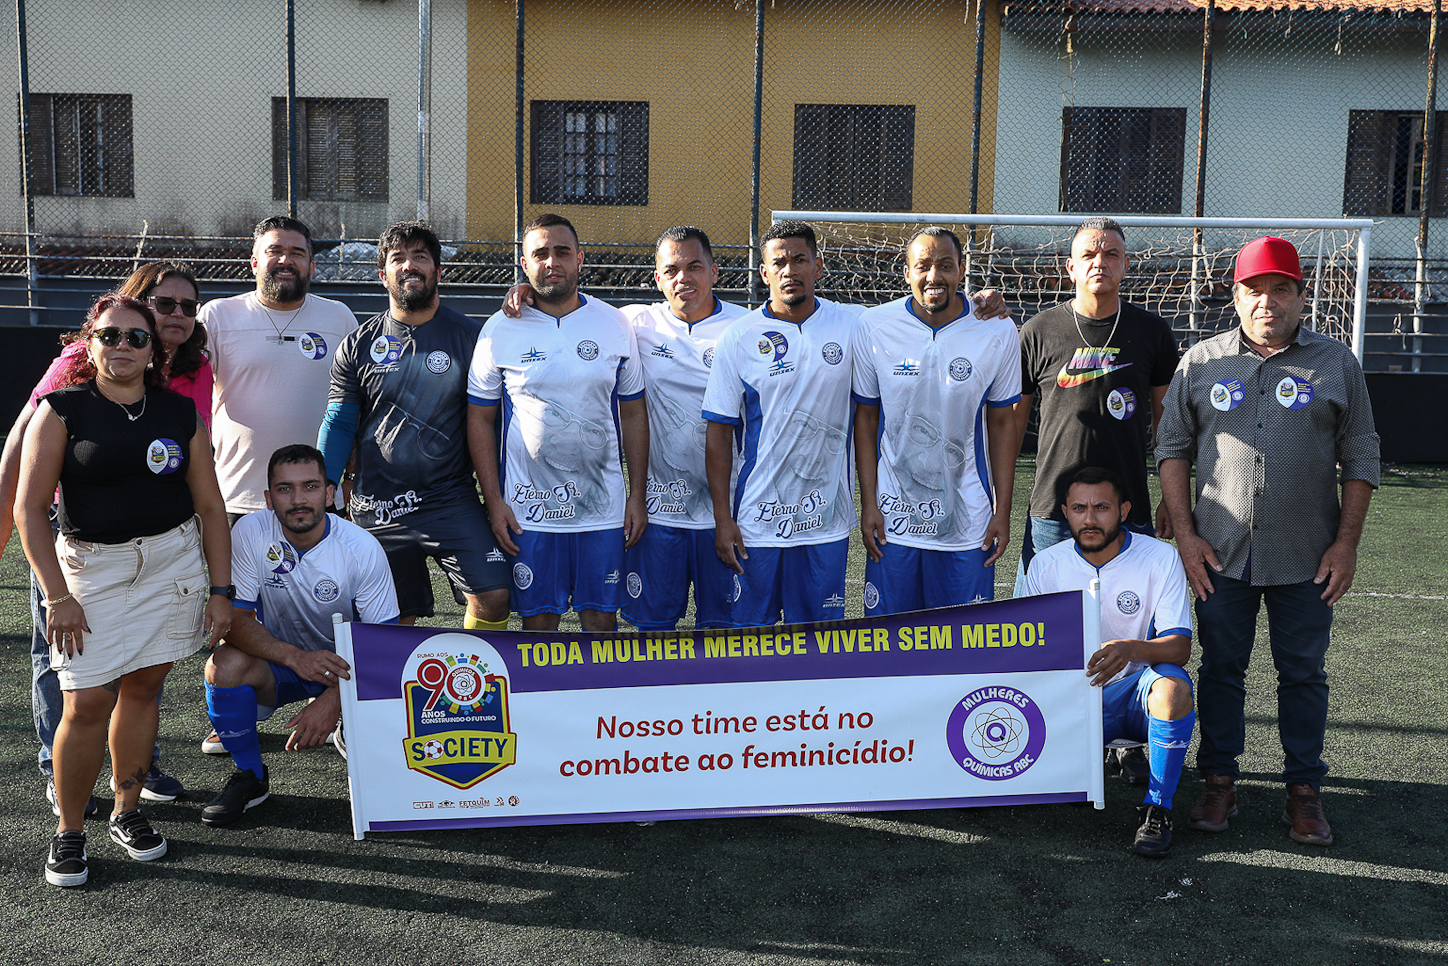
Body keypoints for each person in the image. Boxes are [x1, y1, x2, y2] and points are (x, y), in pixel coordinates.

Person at [1156, 236, 1379, 847]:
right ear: (1236, 296)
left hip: (1307, 555)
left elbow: (1361, 456)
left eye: (1281, 289)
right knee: (1222, 670)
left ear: (1301, 296)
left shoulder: (1337, 364)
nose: (1268, 301)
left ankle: (1304, 792)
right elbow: (1172, 449)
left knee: (1303, 674)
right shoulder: (1200, 363)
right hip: (1220, 552)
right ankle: (1219, 781)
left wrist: (1346, 545)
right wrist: (1186, 537)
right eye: (1255, 289)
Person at [16, 294, 231, 887]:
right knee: (85, 704)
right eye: (110, 336)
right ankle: (69, 831)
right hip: (90, 571)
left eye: (137, 338)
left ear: (154, 350)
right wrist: (57, 594)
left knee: (143, 687)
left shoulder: (178, 413)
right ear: (89, 342)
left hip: (172, 564)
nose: (123, 347)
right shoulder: (61, 410)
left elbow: (211, 508)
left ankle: (126, 811)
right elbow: (30, 510)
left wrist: (221, 589)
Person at [503, 225, 748, 630]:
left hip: (724, 511)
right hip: (656, 511)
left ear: (715, 272)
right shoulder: (632, 323)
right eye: (670, 270)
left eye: (694, 267)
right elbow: (570, 308)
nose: (683, 278)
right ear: (656, 279)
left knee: (725, 633)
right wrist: (524, 290)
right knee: (650, 633)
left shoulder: (746, 329)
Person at [317, 221, 510, 632]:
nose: (410, 266)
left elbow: (491, 422)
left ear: (438, 271)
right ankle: (398, 695)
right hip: (378, 506)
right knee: (391, 618)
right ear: (382, 275)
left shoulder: (472, 338)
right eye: (398, 258)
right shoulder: (358, 344)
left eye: (420, 257)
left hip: (450, 500)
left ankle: (467, 686)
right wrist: (326, 482)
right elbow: (339, 422)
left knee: (494, 597)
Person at [467, 213, 648, 632]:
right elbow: (479, 419)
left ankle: (601, 700)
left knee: (602, 623)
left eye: (562, 252)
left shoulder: (614, 323)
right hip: (528, 511)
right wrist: (494, 503)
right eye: (540, 254)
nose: (552, 262)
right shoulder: (499, 329)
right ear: (525, 265)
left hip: (602, 509)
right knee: (539, 625)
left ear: (580, 259)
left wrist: (636, 496)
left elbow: (634, 413)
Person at [201, 444, 399, 827]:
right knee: (222, 666)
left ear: (331, 493)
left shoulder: (361, 548)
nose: (298, 500)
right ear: (268, 498)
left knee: (392, 761)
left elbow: (384, 646)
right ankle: (251, 777)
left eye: (310, 487)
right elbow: (236, 620)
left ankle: (352, 727)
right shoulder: (250, 531)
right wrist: (294, 657)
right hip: (282, 663)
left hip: (351, 669)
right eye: (284, 489)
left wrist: (335, 698)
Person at [1021, 467, 1195, 858]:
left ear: (1123, 510)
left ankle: (1158, 807)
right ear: (1065, 512)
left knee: (1173, 689)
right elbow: (1030, 653)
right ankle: (1075, 760)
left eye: (1102, 507)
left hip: (1136, 692)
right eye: (1080, 508)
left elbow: (1179, 648)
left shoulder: (1160, 557)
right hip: (1071, 701)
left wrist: (1130, 649)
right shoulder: (1046, 565)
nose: (1090, 518)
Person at [700, 220, 862, 626]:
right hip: (757, 520)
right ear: (764, 272)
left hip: (825, 520)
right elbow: (719, 431)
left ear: (818, 267)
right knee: (749, 643)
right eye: (779, 262)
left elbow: (911, 320)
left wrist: (985, 304)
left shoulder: (854, 325)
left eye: (799, 260)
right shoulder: (739, 337)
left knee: (819, 642)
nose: (789, 270)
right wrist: (723, 518)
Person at [853, 226, 1021, 614]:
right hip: (894, 521)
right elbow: (866, 418)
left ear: (961, 270)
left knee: (965, 649)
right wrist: (869, 504)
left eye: (945, 265)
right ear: (907, 272)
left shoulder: (995, 329)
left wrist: (1002, 511)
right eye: (923, 265)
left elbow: (1001, 424)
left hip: (968, 522)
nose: (934, 276)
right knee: (887, 645)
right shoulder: (873, 325)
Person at [1015, 218, 1180, 573]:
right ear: (1071, 268)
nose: (1099, 262)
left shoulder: (1153, 332)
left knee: (1131, 620)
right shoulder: (1036, 332)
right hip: (1054, 509)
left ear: (1125, 265)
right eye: (1088, 254)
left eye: (1111, 254)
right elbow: (1011, 425)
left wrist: (1170, 497)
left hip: (1128, 507)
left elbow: (1168, 425)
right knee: (1043, 624)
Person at [199, 216, 357, 523]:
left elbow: (357, 405)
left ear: (311, 266)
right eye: (275, 251)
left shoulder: (339, 318)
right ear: (255, 263)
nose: (286, 260)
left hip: (320, 497)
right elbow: (190, 393)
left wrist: (349, 475)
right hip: (238, 496)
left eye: (297, 253)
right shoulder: (218, 316)